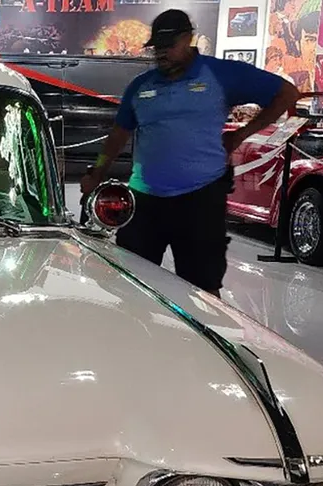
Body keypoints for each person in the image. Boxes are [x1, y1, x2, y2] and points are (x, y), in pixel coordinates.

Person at [80, 9, 301, 297]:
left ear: (188, 39)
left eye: (169, 46)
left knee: (202, 290)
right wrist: (97, 172)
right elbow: (117, 136)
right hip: (145, 202)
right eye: (157, 48)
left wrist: (241, 134)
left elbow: (287, 93)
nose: (162, 54)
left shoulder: (221, 74)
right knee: (132, 285)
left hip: (199, 201)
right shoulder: (141, 87)